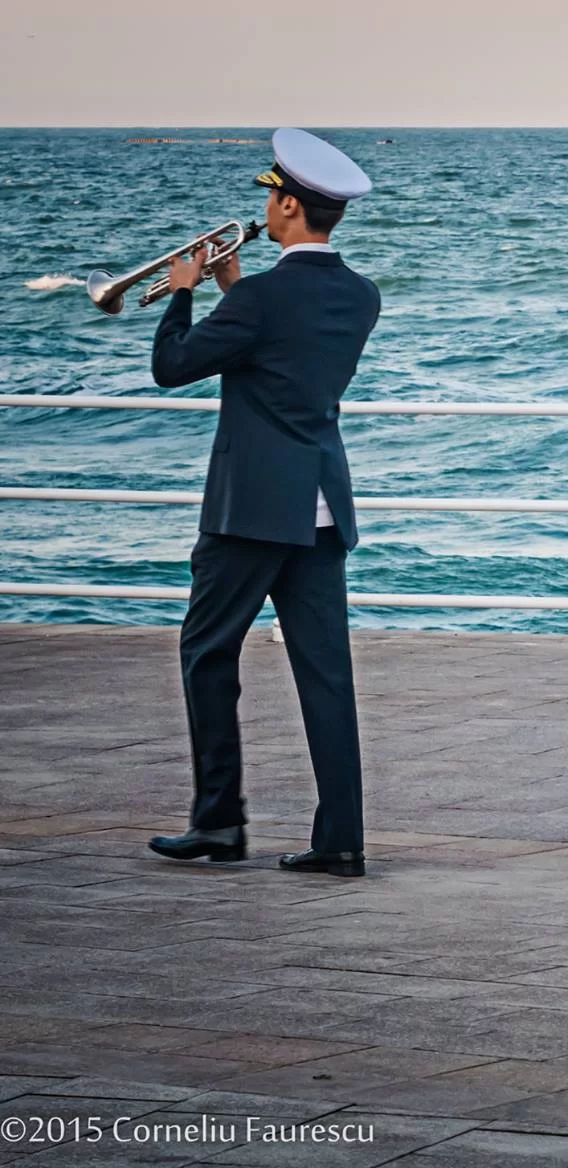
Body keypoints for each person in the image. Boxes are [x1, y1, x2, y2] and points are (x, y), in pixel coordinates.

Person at [145, 129, 381, 879]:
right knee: (326, 675)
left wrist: (184, 290)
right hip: (320, 506)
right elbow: (287, 354)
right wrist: (234, 291)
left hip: (249, 510)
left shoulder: (259, 299)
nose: (267, 209)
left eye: (272, 199)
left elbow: (171, 367)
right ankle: (341, 840)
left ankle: (219, 822)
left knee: (207, 653)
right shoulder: (359, 295)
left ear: (287, 206)